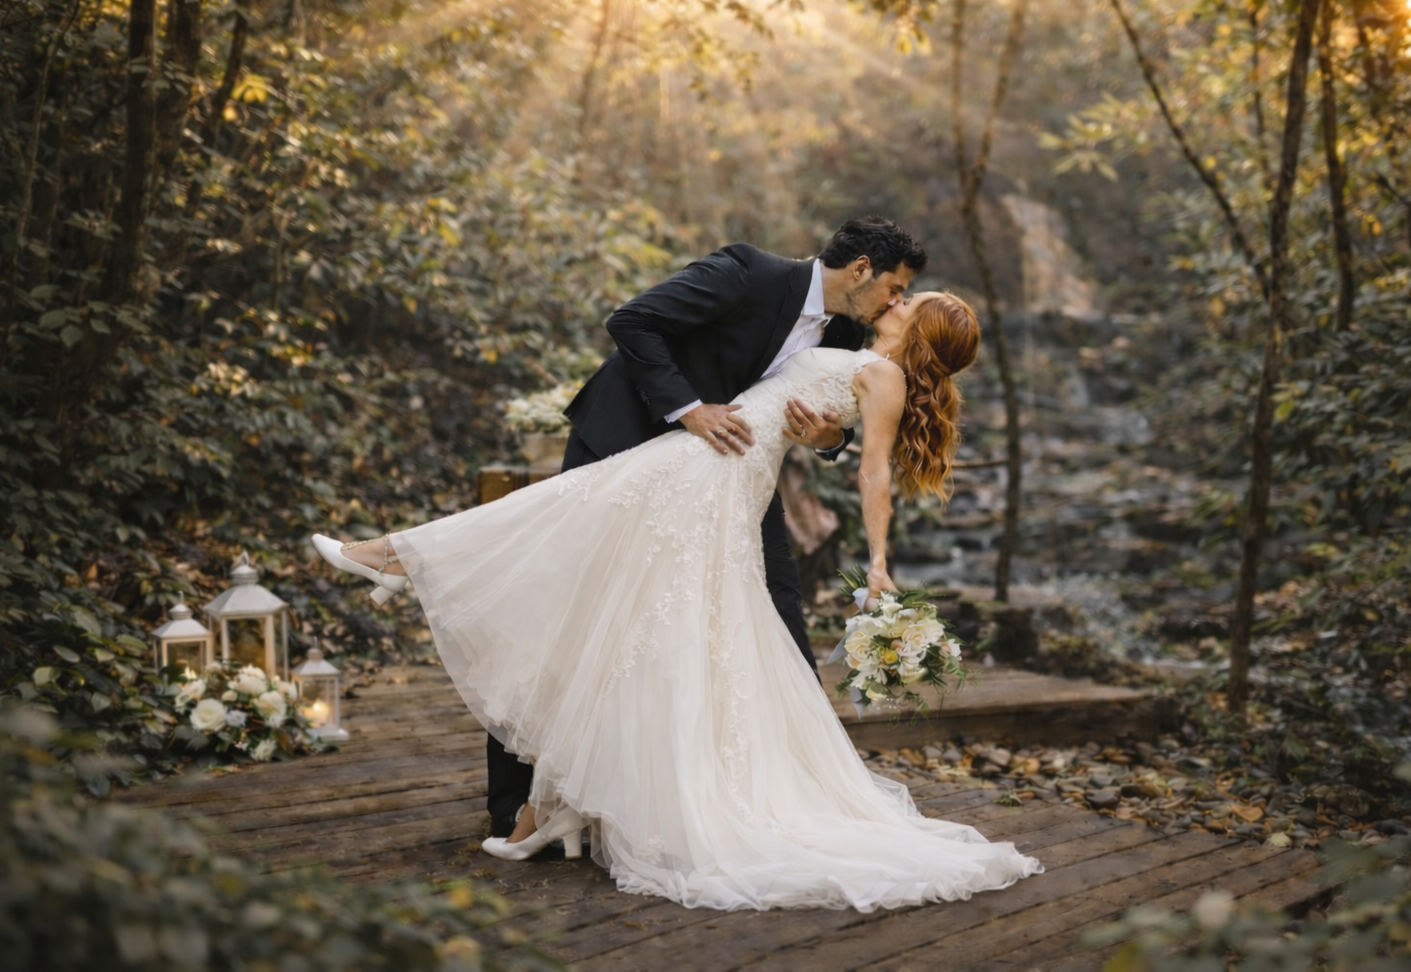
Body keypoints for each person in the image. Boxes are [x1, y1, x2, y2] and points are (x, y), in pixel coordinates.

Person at [313, 287, 1044, 912]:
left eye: (910, 301)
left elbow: (873, 475)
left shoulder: (884, 376)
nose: (898, 298)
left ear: (920, 330)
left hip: (715, 475)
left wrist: (879, 559)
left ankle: (396, 561)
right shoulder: (859, 349)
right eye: (901, 288)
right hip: (706, 461)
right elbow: (806, 408)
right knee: (611, 592)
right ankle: (542, 801)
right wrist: (823, 431)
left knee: (579, 535)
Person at [505, 216, 927, 843]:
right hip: (629, 442)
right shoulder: (748, 271)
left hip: (731, 478)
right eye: (895, 287)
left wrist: (827, 437)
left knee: (778, 609)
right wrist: (687, 408)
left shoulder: (845, 329)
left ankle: (791, 785)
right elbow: (631, 321)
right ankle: (520, 803)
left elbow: (832, 423)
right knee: (580, 611)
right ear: (861, 268)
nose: (897, 302)